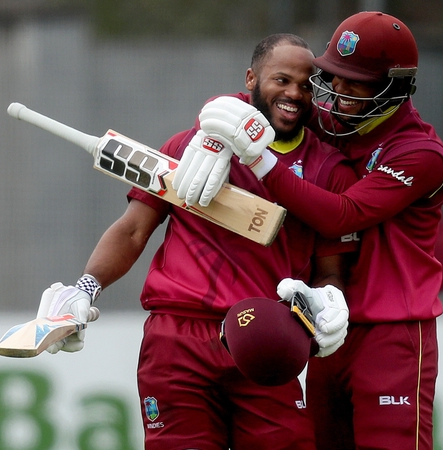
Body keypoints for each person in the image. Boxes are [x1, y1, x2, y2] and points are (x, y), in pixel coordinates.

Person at [34, 33, 359, 450]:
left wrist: (328, 301)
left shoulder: (328, 167)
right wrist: (86, 287)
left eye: (305, 84)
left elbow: (330, 269)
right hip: (178, 337)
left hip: (266, 337)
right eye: (282, 80)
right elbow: (135, 228)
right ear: (251, 78)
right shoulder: (190, 147)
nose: (294, 94)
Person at [184, 11, 443, 450]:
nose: (339, 92)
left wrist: (258, 159)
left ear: (395, 88)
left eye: (356, 82)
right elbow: (254, 97)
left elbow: (341, 216)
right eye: (334, 77)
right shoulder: (332, 121)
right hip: (323, 325)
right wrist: (213, 133)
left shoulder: (420, 153)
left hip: (393, 333)